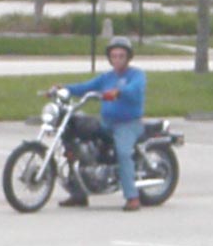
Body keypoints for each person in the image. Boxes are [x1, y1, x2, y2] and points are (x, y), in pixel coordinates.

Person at [58, 35, 147, 212]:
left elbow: (134, 89)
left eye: (121, 56)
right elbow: (86, 87)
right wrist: (65, 88)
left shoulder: (137, 75)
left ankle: (132, 197)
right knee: (77, 140)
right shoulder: (107, 77)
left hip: (128, 124)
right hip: (107, 123)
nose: (117, 59)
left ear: (128, 57)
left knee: (123, 152)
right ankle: (79, 193)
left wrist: (119, 92)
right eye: (114, 56)